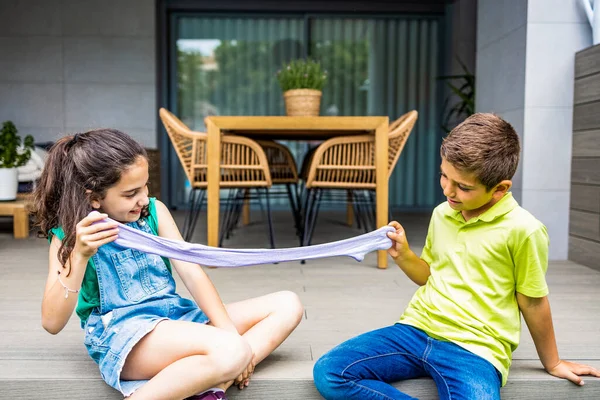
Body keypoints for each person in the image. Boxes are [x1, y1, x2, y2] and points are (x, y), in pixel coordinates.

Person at [313, 113, 600, 399]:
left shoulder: (525, 230)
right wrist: (403, 255)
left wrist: (553, 362)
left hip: (476, 349)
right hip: (416, 330)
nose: (448, 190)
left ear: (499, 189)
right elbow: (428, 275)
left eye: (463, 187)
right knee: (330, 372)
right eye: (444, 176)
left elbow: (533, 301)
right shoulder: (443, 213)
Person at [32, 129, 304, 400]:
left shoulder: (154, 212)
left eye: (145, 186)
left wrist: (229, 335)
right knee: (234, 349)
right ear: (94, 197)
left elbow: (192, 274)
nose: (142, 199)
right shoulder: (68, 235)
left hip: (176, 318)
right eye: (130, 193)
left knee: (288, 304)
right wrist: (79, 255)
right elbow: (52, 322)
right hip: (126, 337)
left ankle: (213, 383)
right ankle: (209, 374)